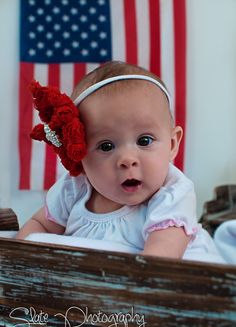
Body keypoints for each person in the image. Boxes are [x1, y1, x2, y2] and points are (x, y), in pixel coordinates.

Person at [16, 61, 225, 263]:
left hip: (172, 286)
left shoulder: (171, 193)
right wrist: (17, 258)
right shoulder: (74, 188)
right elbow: (40, 226)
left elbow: (159, 262)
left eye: (144, 141)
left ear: (171, 145)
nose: (127, 160)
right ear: (80, 154)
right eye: (106, 146)